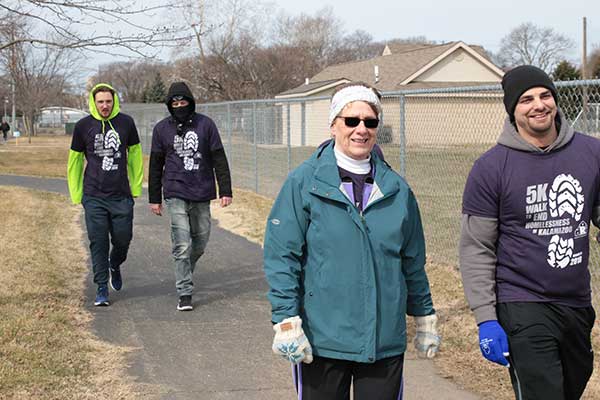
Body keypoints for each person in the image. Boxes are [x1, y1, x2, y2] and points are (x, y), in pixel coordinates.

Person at [263, 81, 440, 399]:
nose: (361, 129)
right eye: (351, 120)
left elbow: (413, 261)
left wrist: (425, 316)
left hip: (383, 341)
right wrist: (286, 319)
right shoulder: (304, 182)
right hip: (323, 339)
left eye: (370, 122)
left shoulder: (397, 190)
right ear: (333, 125)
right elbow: (282, 256)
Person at [459, 65, 599, 400]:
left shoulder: (591, 152)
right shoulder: (491, 167)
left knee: (571, 385)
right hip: (522, 302)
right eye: (526, 99)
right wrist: (486, 319)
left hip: (576, 301)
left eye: (545, 95)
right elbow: (476, 247)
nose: (539, 104)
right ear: (513, 109)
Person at [148, 82, 233, 311]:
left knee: (200, 243)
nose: (179, 106)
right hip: (175, 190)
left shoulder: (206, 125)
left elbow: (219, 158)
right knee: (182, 244)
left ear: (190, 102)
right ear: (169, 105)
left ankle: (183, 269)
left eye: (183, 102)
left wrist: (225, 190)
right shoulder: (161, 129)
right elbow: (155, 166)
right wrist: (154, 198)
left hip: (202, 190)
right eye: (174, 103)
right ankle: (184, 291)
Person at [67, 83, 143, 307]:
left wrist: (136, 187)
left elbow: (135, 155)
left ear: (114, 101)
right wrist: (76, 193)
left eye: (108, 101)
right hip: (93, 196)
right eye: (100, 102)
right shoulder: (83, 126)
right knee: (97, 241)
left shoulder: (126, 123)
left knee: (123, 239)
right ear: (93, 102)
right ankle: (101, 287)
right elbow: (75, 161)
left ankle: (115, 263)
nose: (105, 106)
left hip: (121, 195)